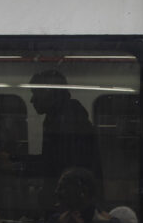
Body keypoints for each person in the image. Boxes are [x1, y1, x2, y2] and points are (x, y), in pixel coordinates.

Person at [29, 70, 101, 199]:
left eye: (35, 93)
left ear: (49, 92)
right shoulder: (60, 117)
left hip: (72, 200)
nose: (32, 100)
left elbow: (58, 165)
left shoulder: (67, 121)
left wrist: (21, 166)